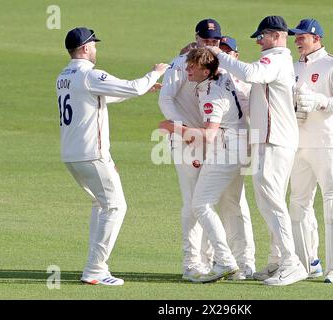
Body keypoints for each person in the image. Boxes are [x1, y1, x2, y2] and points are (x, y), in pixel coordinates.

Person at [56, 27, 169, 286]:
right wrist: (155, 73)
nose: (96, 49)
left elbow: (99, 97)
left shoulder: (64, 76)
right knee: (116, 206)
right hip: (91, 153)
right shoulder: (89, 74)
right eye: (93, 45)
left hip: (72, 155)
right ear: (85, 48)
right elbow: (132, 87)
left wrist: (143, 88)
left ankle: (94, 266)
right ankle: (95, 269)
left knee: (102, 205)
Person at [208, 15, 308, 286]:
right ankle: (278, 262)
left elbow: (251, 73)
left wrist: (218, 54)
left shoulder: (274, 58)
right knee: (269, 201)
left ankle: (291, 262)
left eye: (261, 35)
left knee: (271, 201)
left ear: (276, 35)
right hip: (272, 139)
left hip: (275, 140)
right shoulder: (277, 59)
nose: (258, 41)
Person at [158, 19, 255, 281]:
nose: (211, 45)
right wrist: (183, 129)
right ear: (196, 39)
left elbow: (244, 100)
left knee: (229, 203)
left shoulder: (221, 67)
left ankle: (239, 263)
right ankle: (194, 264)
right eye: (206, 41)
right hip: (195, 142)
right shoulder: (181, 65)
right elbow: (166, 97)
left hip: (217, 141)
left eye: (215, 41)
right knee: (195, 203)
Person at [288, 18, 333, 283]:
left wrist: (319, 101)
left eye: (302, 37)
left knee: (332, 200)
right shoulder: (292, 67)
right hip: (299, 143)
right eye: (296, 37)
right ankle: (305, 264)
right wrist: (295, 109)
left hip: (327, 143)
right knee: (297, 202)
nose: (297, 40)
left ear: (316, 38)